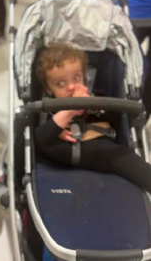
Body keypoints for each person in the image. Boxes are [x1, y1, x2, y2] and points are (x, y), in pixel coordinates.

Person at [35, 41, 151, 193]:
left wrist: (92, 104)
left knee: (128, 159)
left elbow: (117, 120)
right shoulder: (50, 110)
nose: (71, 87)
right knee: (36, 140)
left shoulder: (99, 99)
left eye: (76, 78)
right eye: (60, 83)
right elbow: (40, 139)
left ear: (85, 78)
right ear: (48, 89)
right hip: (65, 153)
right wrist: (69, 110)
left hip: (104, 151)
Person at [101, 0, 151, 120]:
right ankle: (114, 116)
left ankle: (141, 123)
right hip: (133, 13)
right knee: (121, 65)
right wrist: (103, 5)